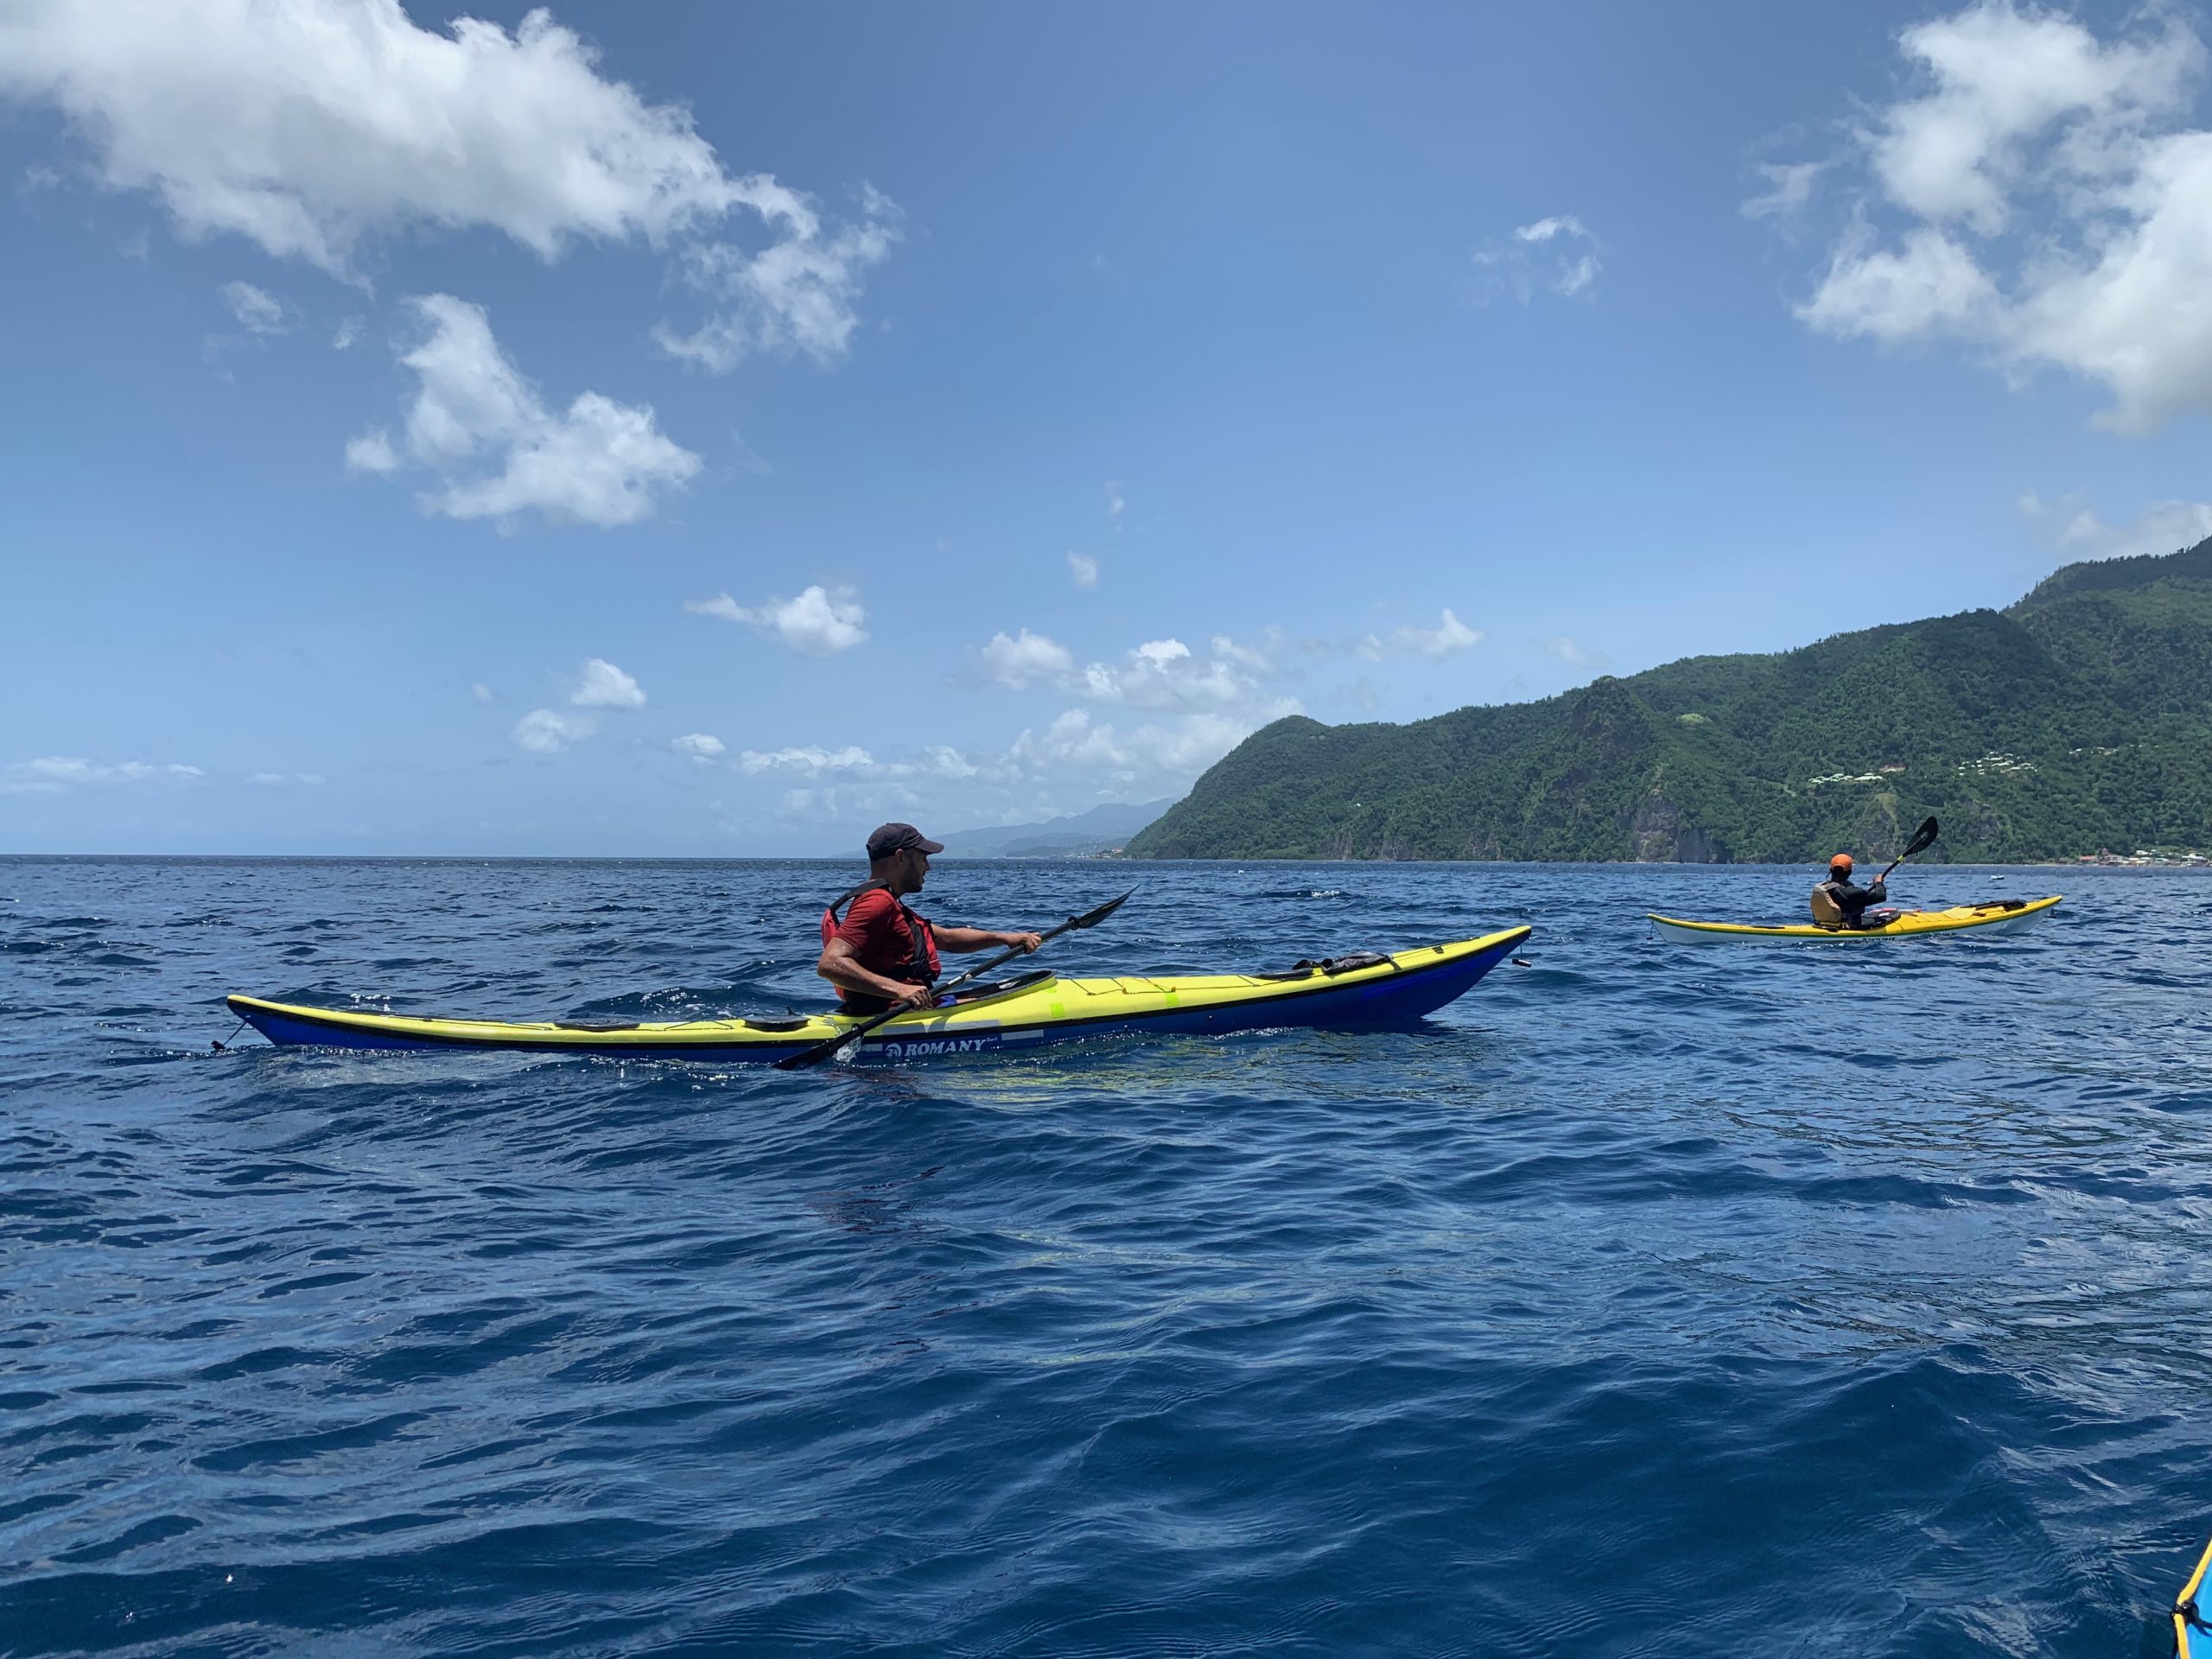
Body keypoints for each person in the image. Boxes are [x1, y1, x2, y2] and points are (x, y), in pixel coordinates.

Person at [815, 823, 1044, 1014]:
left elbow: (945, 938)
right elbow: (830, 964)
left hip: (911, 1010)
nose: (928, 867)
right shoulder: (877, 902)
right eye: (922, 858)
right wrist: (899, 990)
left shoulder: (889, 901)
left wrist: (1005, 938)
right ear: (901, 857)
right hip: (893, 1017)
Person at [1810, 853, 1895, 930]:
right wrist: (1878, 883)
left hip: (1822, 924)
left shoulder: (1825, 888)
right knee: (1884, 920)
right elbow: (1881, 896)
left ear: (1831, 870)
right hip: (1848, 927)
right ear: (1850, 872)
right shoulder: (1850, 893)